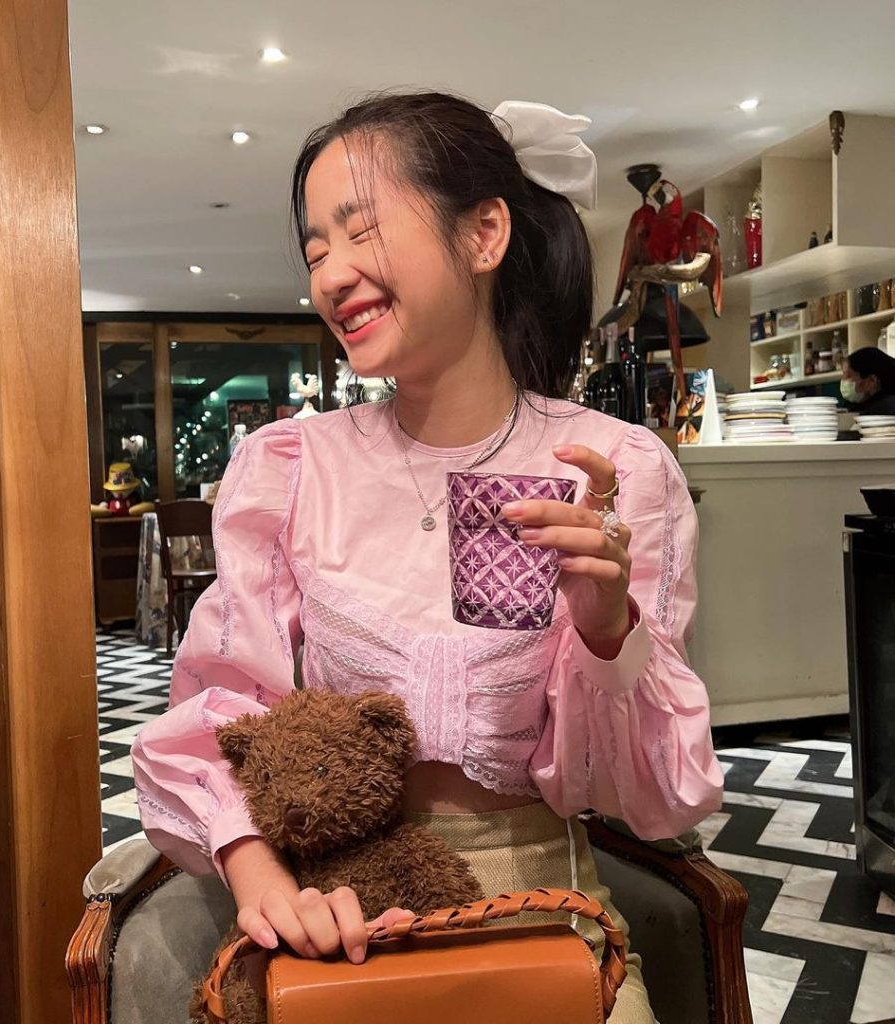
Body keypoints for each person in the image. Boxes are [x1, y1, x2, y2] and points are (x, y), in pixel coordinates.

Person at [132, 91, 723, 1023]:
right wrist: (260, 874)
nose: (332, 274)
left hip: (543, 916)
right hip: (339, 911)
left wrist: (610, 631)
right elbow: (221, 708)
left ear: (485, 233)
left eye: (360, 230)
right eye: (316, 248)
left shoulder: (615, 470)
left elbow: (655, 802)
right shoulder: (293, 467)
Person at [842, 346, 895, 416]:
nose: (844, 381)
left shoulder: (887, 409)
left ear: (872, 380)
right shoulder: (851, 406)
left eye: (849, 376)